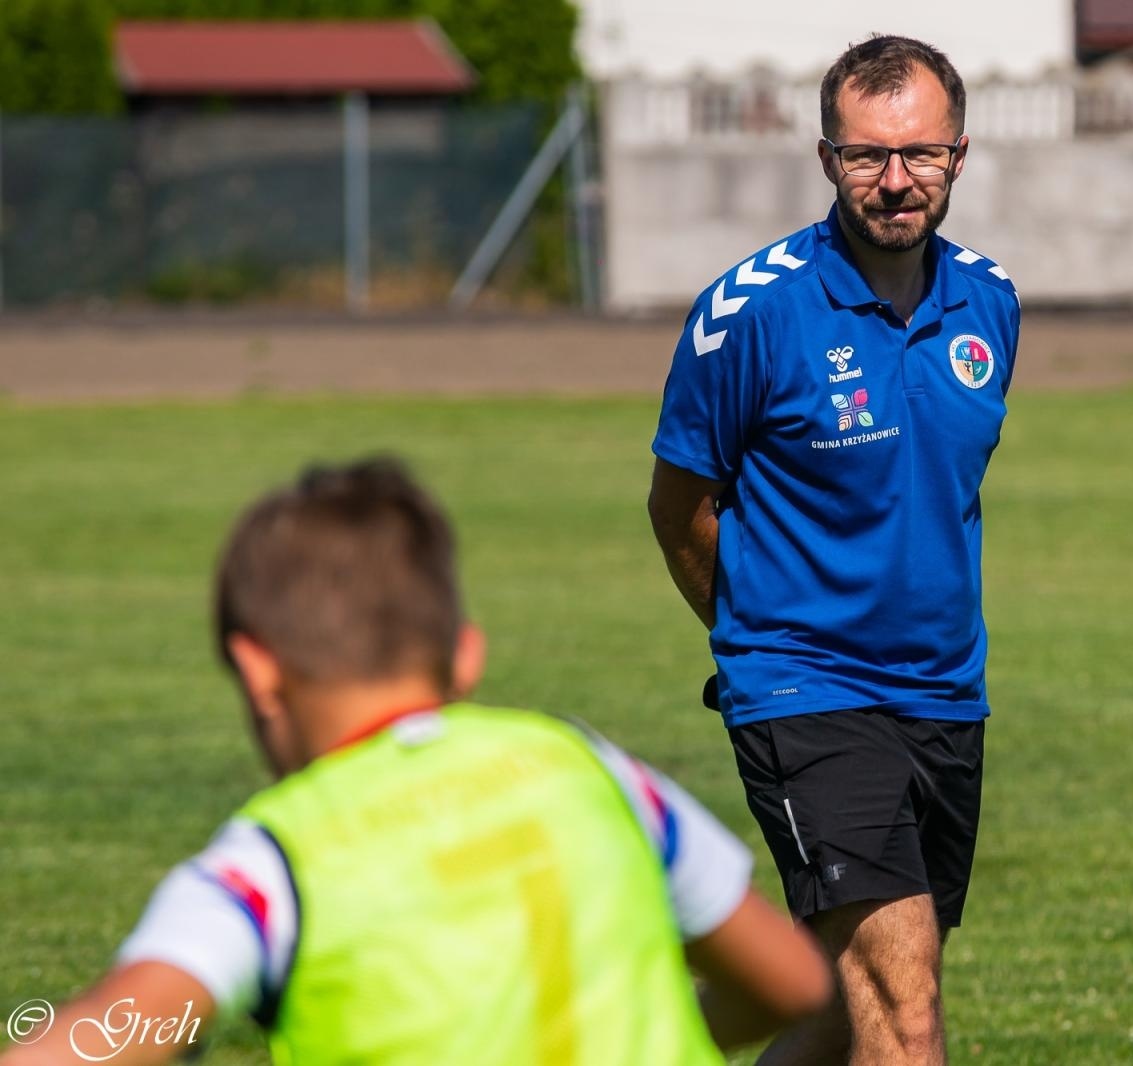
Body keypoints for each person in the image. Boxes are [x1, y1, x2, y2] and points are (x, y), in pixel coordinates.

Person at [2, 458, 830, 1066]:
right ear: (465, 658)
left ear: (257, 673)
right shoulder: (594, 770)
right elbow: (794, 984)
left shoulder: (272, 865)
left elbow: (109, 1035)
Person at [648, 34, 1019, 1066]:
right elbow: (679, 502)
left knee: (835, 1008)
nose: (895, 180)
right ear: (826, 161)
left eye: (920, 153)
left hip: (946, 694)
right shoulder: (749, 314)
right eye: (866, 155)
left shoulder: (990, 301)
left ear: (959, 155)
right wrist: (760, 637)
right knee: (905, 1014)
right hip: (805, 692)